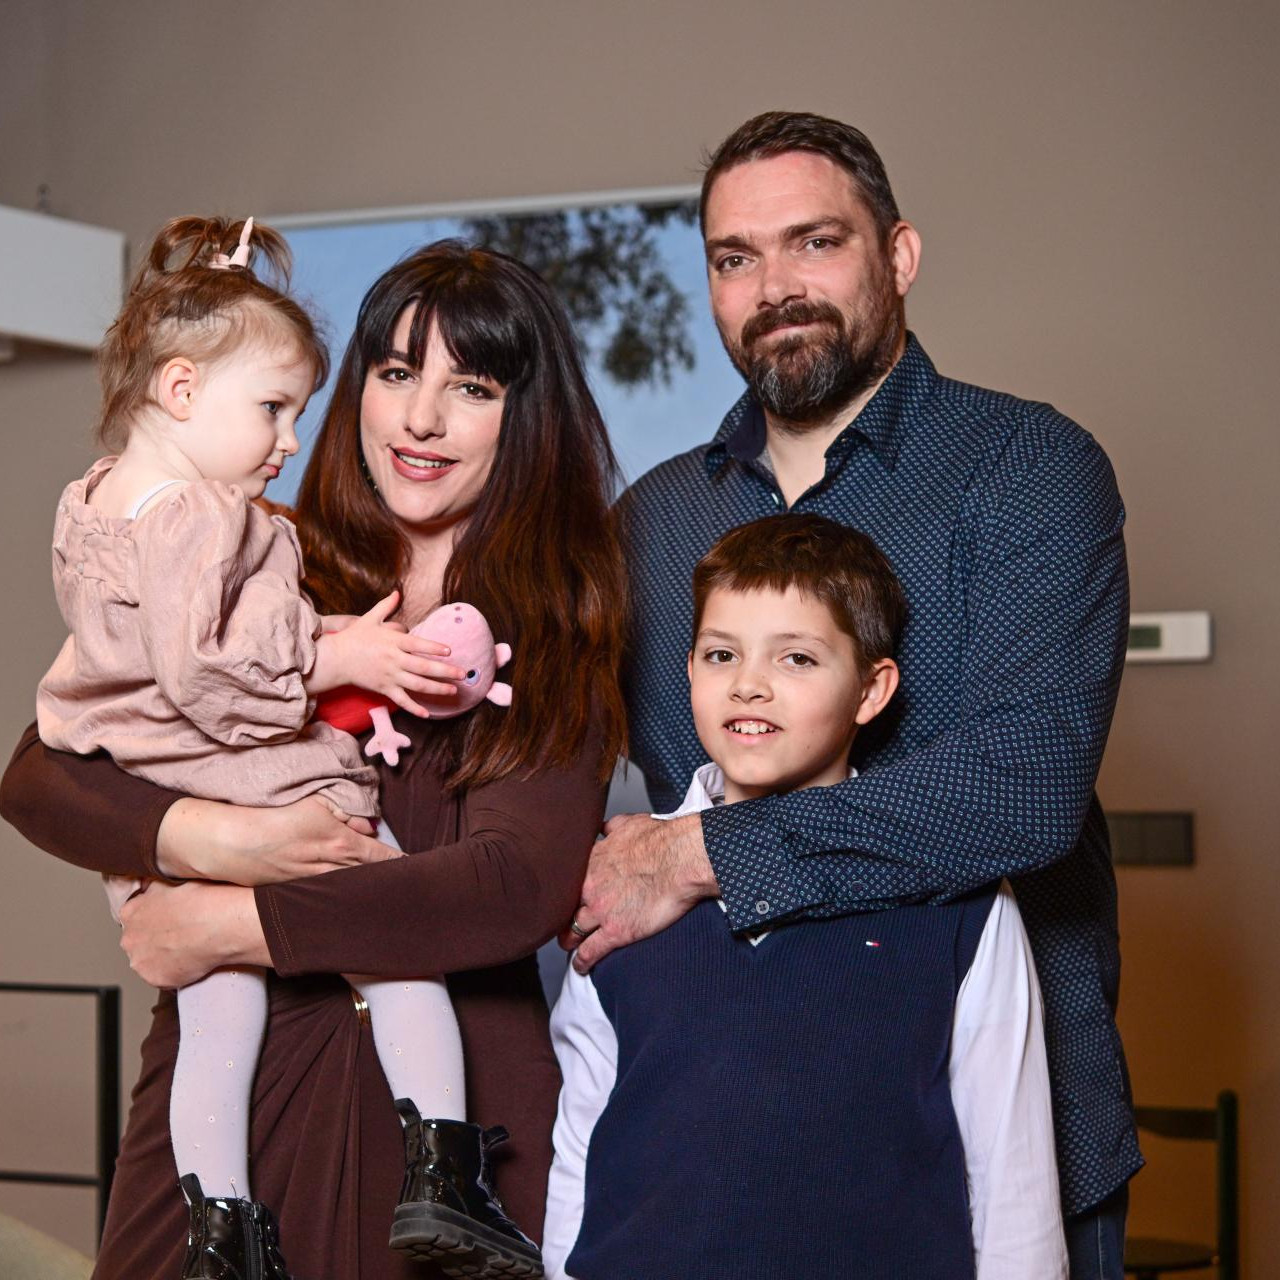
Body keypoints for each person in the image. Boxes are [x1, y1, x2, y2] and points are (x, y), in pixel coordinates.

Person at [566, 111, 1140, 1279]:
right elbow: (556, 775)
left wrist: (696, 854)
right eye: (734, 257)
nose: (773, 287)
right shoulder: (652, 524)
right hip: (704, 1160)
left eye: (813, 242)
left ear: (898, 254)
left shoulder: (1026, 468)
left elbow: (1019, 788)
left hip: (994, 1139)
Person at [2, 237, 628, 1280]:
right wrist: (214, 838)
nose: (420, 418)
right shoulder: (260, 553)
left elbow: (511, 884)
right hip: (232, 1114)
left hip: (443, 1142)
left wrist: (234, 917)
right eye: (396, 372)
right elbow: (40, 771)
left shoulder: (559, 624)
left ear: (524, 421)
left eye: (470, 388)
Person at [544, 514, 1067, 1280]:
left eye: (796, 658)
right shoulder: (620, 877)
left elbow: (1011, 1176)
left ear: (871, 690)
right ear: (688, 670)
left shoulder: (963, 900)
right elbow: (581, 1137)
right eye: (721, 654)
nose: (748, 683)